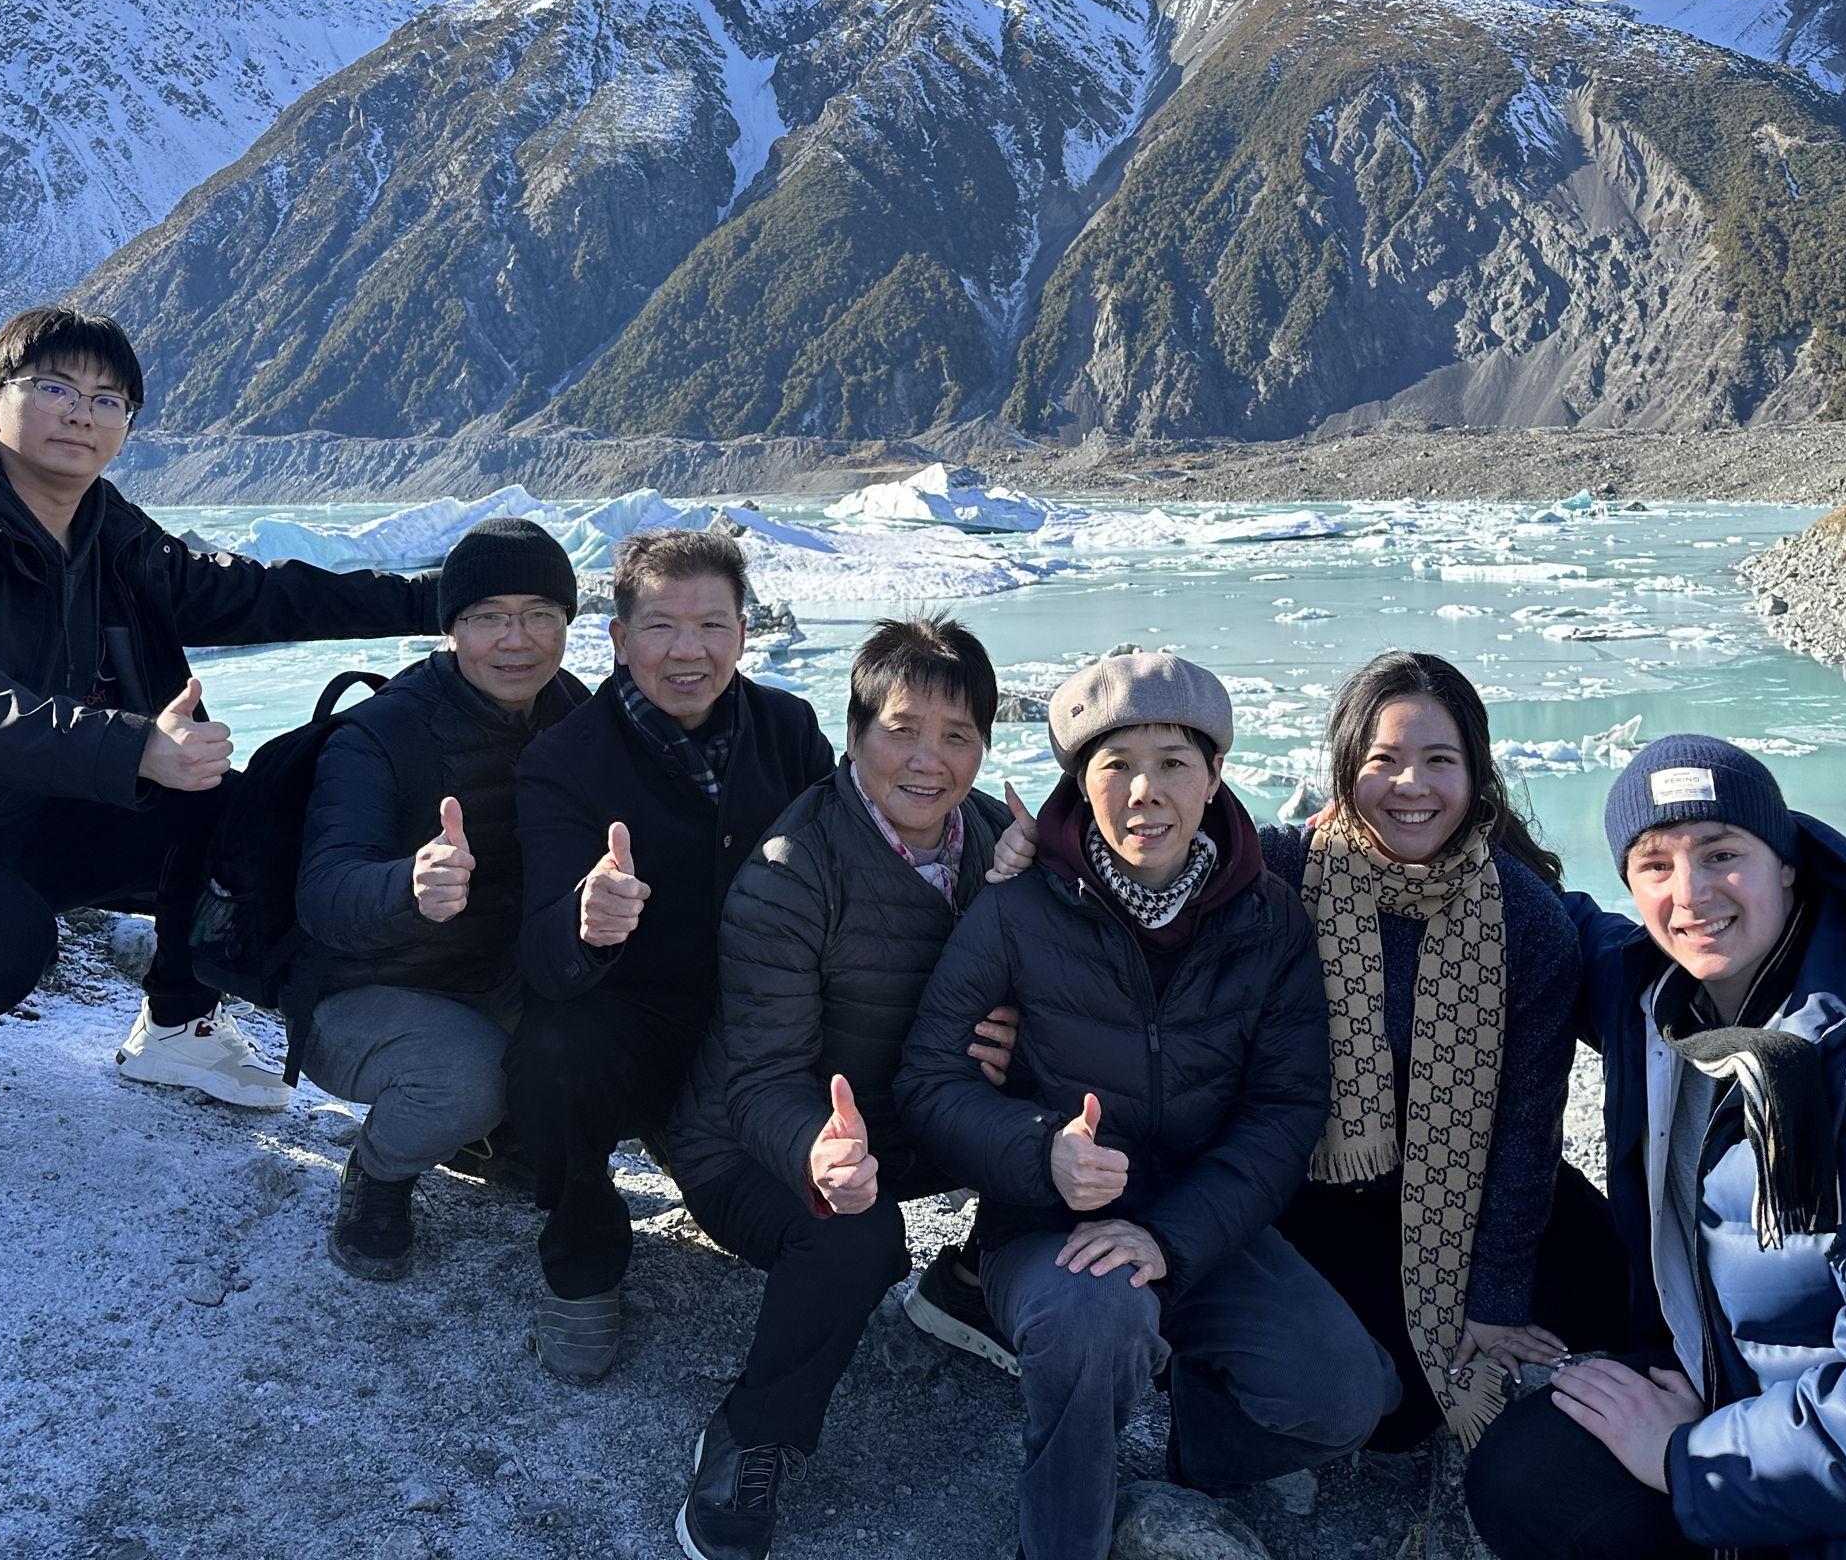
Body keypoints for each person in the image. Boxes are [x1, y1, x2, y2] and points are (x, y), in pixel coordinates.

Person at [0, 306, 439, 1167]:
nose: (84, 412)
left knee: (236, 812)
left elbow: (243, 593)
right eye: (57, 387)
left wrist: (431, 601)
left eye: (110, 399)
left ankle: (178, 1026)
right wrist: (131, 746)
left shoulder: (103, 528)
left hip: (43, 812)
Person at [898, 652, 1395, 1560]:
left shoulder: (1269, 917)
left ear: (1213, 780)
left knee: (1345, 1398)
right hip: (1051, 1226)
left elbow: (1285, 1106)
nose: (1144, 791)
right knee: (1095, 1320)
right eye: (1114, 765)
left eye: (1172, 762)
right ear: (1080, 786)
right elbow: (929, 1077)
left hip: (1203, 1224)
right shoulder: (1020, 909)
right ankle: (1062, 1536)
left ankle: (1190, 1451)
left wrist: (1172, 1238)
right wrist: (1039, 1148)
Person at [1465, 734, 1846, 1560]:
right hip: (1742, 1379)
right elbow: (1554, 916)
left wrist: (1684, 1456)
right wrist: (1423, 811)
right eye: (1654, 864)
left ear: (1785, 862)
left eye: (1720, 853)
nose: (1689, 893)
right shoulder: (1653, 994)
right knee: (1526, 1474)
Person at [666, 615, 1022, 1560]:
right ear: (855, 733)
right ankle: (753, 1432)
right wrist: (817, 1154)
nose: (928, 760)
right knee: (858, 1237)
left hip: (906, 1115)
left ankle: (974, 1284)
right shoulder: (792, 875)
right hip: (753, 1142)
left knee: (1079, 1100)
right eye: (901, 729)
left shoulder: (994, 841)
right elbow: (759, 1083)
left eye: (957, 736)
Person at [1261, 650, 1617, 1452]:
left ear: (1477, 775)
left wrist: (1495, 1298)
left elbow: (1527, 1129)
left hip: (1458, 1175)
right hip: (1317, 1185)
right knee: (1389, 1404)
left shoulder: (1525, 920)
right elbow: (1167, 854)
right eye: (1382, 761)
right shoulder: (1285, 870)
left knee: (1605, 1288)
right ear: (1347, 769)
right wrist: (1027, 848)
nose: (1410, 786)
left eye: (1438, 761)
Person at [505, 528, 834, 1382]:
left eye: (712, 626)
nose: (687, 652)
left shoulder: (788, 728)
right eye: (659, 626)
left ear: (743, 632)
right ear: (617, 639)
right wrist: (588, 921)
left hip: (765, 1011)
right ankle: (581, 1257)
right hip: (636, 1015)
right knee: (551, 1053)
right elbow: (540, 949)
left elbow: (857, 854)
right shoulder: (564, 760)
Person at [287, 517, 588, 1279]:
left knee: (622, 1028)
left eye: (539, 616)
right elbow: (324, 896)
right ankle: (380, 1173)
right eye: (490, 617)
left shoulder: (571, 710)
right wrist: (408, 885)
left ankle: (494, 1138)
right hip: (365, 992)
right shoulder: (383, 734)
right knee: (467, 1077)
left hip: (495, 972)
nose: (516, 640)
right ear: (453, 627)